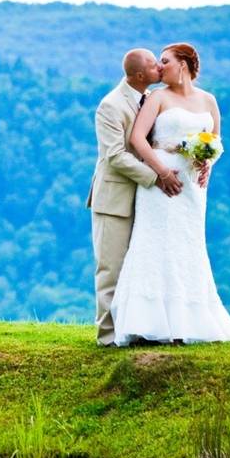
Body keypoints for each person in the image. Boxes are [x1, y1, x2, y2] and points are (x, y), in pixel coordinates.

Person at [109, 43, 230, 346]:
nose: (160, 66)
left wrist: (208, 162)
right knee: (156, 245)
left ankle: (184, 323)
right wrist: (161, 172)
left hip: (193, 188)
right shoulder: (157, 97)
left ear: (183, 65)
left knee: (187, 245)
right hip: (161, 184)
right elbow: (138, 139)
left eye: (165, 61)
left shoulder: (208, 100)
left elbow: (216, 140)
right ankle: (149, 324)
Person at [86, 48, 183, 347]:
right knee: (111, 270)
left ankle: (140, 330)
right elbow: (114, 156)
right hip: (114, 200)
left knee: (141, 268)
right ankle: (107, 337)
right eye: (155, 64)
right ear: (141, 75)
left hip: (146, 201)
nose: (159, 67)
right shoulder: (111, 106)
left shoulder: (151, 99)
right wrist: (157, 175)